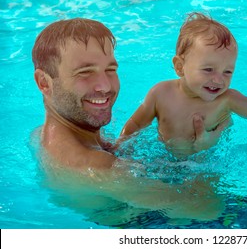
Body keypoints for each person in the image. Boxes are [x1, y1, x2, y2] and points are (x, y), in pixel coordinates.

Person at [31, 18, 225, 222]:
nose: (105, 86)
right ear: (44, 83)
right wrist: (201, 152)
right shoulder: (97, 168)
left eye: (110, 70)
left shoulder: (42, 135)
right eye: (85, 73)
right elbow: (206, 208)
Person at [119, 12, 247, 156]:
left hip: (203, 166)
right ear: (179, 67)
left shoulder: (226, 100)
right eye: (208, 70)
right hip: (162, 159)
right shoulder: (160, 93)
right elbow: (136, 123)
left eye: (227, 72)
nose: (219, 80)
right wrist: (120, 148)